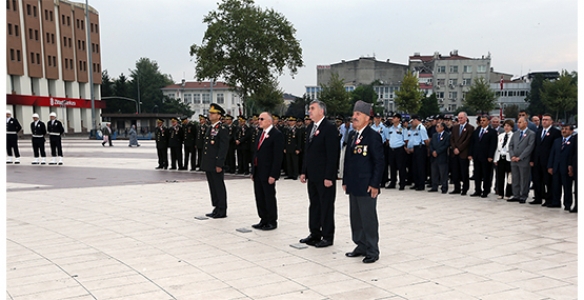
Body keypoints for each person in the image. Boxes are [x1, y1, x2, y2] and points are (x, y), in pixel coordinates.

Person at [343, 100, 384, 264]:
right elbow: (348, 160)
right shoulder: (353, 135)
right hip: (354, 184)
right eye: (354, 114)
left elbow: (379, 163)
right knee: (356, 218)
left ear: (367, 118)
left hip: (367, 185)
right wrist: (346, 180)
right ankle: (360, 245)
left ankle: (372, 250)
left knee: (368, 219)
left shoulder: (373, 136)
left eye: (358, 114)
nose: (354, 117)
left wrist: (375, 184)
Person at [299, 100, 340, 248]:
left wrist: (329, 176)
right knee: (314, 205)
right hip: (313, 175)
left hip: (324, 177)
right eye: (309, 108)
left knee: (326, 206)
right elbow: (308, 152)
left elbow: (332, 154)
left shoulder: (329, 128)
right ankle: (315, 233)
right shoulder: (311, 127)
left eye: (312, 108)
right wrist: (304, 171)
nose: (309, 111)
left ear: (321, 111)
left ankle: (328, 236)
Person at [251, 112, 284, 230]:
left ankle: (271, 221)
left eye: (262, 119)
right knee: (259, 196)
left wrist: (273, 174)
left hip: (268, 172)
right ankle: (263, 219)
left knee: (269, 196)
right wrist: (253, 170)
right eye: (259, 119)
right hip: (258, 171)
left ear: (270, 121)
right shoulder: (260, 133)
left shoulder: (276, 134)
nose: (259, 121)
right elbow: (256, 153)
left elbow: (277, 157)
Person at [202, 103, 230, 218]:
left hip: (216, 162)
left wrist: (219, 163)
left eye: (213, 113)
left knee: (218, 186)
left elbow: (223, 148)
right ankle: (216, 207)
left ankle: (222, 209)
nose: (210, 115)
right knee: (212, 186)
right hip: (209, 162)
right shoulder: (211, 128)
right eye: (210, 113)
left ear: (219, 116)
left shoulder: (222, 129)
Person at [530, 114, 561, 206]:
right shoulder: (538, 131)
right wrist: (532, 159)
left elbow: (555, 149)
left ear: (551, 121)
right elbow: (535, 146)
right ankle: (538, 198)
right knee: (537, 180)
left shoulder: (555, 132)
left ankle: (550, 199)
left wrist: (552, 164)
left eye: (546, 120)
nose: (544, 121)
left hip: (547, 161)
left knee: (548, 181)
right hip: (537, 161)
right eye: (543, 120)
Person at [547, 124, 576, 210]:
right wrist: (550, 166)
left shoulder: (573, 141)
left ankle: (567, 204)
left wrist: (571, 167)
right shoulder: (557, 141)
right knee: (556, 186)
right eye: (563, 129)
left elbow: (572, 155)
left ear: (571, 131)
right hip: (556, 167)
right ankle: (556, 202)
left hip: (566, 168)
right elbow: (552, 154)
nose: (564, 131)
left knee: (567, 187)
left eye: (566, 129)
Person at [468, 115, 498, 198]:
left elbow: (493, 145)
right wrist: (470, 154)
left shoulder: (492, 132)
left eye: (484, 120)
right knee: (477, 174)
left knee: (486, 174)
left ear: (488, 121)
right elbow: (472, 143)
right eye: (481, 120)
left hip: (486, 157)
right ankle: (477, 190)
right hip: (477, 156)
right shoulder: (477, 131)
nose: (482, 122)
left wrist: (490, 156)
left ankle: (486, 190)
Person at [507, 117, 535, 204]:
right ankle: (516, 195)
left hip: (524, 160)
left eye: (520, 122)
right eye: (518, 122)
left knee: (524, 179)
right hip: (514, 160)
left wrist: (520, 157)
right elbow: (510, 145)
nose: (518, 124)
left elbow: (530, 147)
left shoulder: (531, 134)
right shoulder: (515, 133)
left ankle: (523, 195)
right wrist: (512, 155)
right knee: (515, 178)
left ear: (526, 123)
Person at [449, 112, 474, 195]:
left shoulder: (470, 128)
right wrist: (454, 148)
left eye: (461, 118)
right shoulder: (455, 127)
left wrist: (459, 148)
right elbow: (452, 139)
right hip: (455, 153)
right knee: (455, 171)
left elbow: (468, 140)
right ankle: (457, 188)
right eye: (459, 118)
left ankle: (465, 189)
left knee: (464, 172)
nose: (460, 119)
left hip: (463, 153)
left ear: (466, 118)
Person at [493, 119, 515, 199]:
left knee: (509, 177)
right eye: (505, 126)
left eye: (508, 126)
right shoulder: (500, 136)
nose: (506, 127)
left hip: (508, 158)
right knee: (500, 176)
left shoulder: (513, 136)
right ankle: (500, 193)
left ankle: (508, 193)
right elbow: (497, 148)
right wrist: (495, 159)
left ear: (511, 127)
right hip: (500, 157)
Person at [385, 113, 407, 190]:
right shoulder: (390, 128)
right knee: (392, 166)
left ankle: (402, 183)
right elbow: (388, 139)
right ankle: (393, 182)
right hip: (391, 149)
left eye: (394, 117)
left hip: (399, 149)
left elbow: (406, 139)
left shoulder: (403, 128)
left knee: (401, 167)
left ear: (398, 119)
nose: (392, 119)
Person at [408, 114, 429, 191]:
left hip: (420, 148)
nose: (411, 123)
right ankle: (416, 183)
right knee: (415, 167)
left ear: (416, 120)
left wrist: (426, 149)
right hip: (415, 148)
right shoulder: (415, 128)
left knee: (420, 167)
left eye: (412, 121)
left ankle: (421, 184)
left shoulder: (421, 128)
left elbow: (426, 140)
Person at [429, 122, 450, 193]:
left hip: (442, 156)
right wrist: (433, 151)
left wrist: (437, 151)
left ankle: (444, 187)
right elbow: (431, 144)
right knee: (434, 172)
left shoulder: (447, 135)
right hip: (434, 157)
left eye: (438, 126)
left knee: (443, 173)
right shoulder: (434, 135)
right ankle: (434, 186)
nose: (436, 128)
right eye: (436, 127)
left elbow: (446, 145)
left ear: (442, 127)